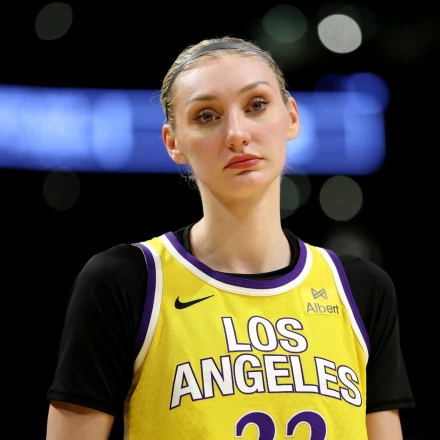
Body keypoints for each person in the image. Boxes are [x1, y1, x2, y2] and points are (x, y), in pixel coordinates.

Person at [46, 36, 415, 439]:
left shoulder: (360, 289)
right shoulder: (125, 281)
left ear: (292, 117)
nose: (236, 134)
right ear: (173, 143)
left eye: (256, 105)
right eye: (206, 115)